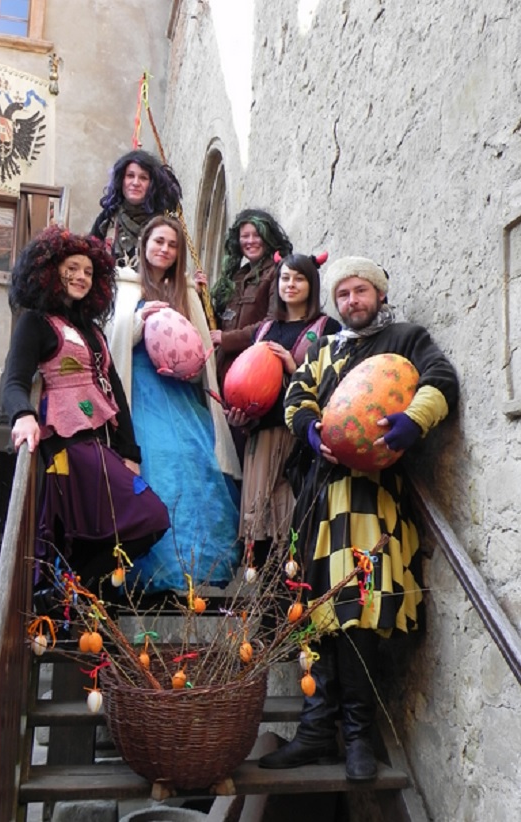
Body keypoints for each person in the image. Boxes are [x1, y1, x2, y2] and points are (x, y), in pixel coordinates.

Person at [258, 256, 458, 781]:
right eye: (343, 293)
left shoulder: (406, 339)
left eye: (360, 291)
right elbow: (296, 397)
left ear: (379, 294)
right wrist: (310, 431)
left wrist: (412, 422)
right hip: (320, 497)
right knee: (315, 609)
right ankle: (315, 731)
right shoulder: (323, 349)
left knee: (358, 609)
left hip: (371, 498)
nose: (352, 300)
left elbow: (441, 380)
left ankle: (357, 737)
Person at [2, 226, 170, 593]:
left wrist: (130, 452)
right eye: (72, 269)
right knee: (151, 516)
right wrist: (22, 415)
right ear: (50, 271)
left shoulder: (93, 331)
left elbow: (116, 393)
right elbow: (13, 380)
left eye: (89, 272)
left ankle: (68, 590)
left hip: (103, 444)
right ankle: (68, 589)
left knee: (132, 525)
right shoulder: (35, 322)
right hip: (69, 446)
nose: (82, 277)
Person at [109, 215, 242, 594]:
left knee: (195, 461)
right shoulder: (125, 286)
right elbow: (114, 338)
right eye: (159, 242)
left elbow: (201, 348)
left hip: (181, 392)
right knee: (155, 465)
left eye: (172, 245)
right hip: (141, 389)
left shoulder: (188, 292)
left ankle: (199, 564)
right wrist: (140, 321)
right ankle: (153, 567)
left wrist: (191, 364)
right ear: (144, 244)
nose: (164, 250)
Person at [227, 253, 340, 564]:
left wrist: (294, 367)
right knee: (260, 525)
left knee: (291, 523)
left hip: (299, 440)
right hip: (262, 437)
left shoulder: (328, 327)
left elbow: (333, 383)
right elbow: (248, 378)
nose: (290, 284)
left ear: (312, 284)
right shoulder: (263, 330)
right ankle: (263, 589)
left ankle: (290, 591)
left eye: (299, 278)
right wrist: (239, 416)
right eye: (285, 278)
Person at [209, 208, 293, 393]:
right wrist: (200, 296)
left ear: (268, 237)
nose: (250, 241)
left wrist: (226, 339)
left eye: (257, 235)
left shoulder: (278, 273)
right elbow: (218, 324)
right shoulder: (236, 277)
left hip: (255, 376)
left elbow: (272, 324)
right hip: (225, 375)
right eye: (245, 236)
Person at [90, 149, 182, 270]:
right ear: (121, 180)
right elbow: (89, 260)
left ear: (152, 184)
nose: (135, 183)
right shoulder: (107, 219)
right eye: (130, 176)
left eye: (143, 178)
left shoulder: (166, 224)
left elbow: (176, 270)